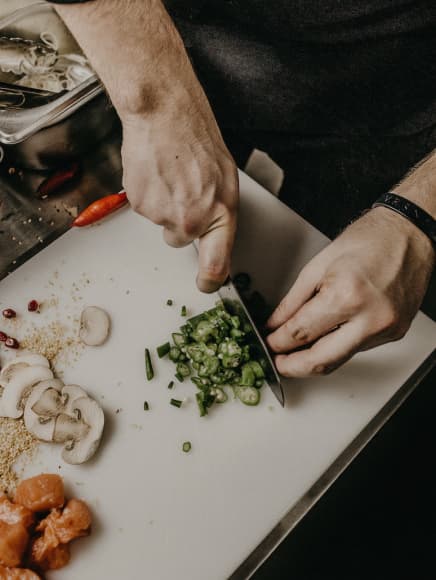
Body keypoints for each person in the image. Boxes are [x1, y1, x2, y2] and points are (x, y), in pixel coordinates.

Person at [48, 0, 435, 378]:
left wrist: (418, 219)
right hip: (167, 44)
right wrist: (154, 104)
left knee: (340, 298)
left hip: (393, 103)